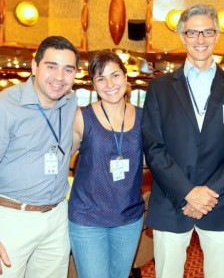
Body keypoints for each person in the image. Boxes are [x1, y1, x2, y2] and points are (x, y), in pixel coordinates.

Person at [142, 4, 224, 278]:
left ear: (216, 35)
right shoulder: (160, 88)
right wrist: (188, 192)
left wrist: (208, 193)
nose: (200, 39)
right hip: (171, 200)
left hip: (221, 201)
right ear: (182, 37)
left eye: (207, 32)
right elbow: (154, 147)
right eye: (193, 33)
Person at [0, 36, 79, 277]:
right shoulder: (2, 108)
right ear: (34, 67)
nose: (59, 77)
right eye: (51, 66)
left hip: (56, 218)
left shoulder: (70, 102)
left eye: (68, 69)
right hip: (11, 218)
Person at [68, 50, 144, 278]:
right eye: (101, 78)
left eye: (115, 75)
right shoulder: (82, 116)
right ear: (93, 84)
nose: (109, 84)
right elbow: (62, 161)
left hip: (128, 215)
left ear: (125, 77)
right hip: (88, 215)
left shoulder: (143, 116)